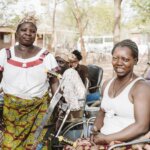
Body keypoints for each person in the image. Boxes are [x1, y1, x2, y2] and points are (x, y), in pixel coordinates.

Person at [64, 39, 150, 149]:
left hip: (125, 144)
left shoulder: (141, 88)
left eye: (125, 59)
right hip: (104, 140)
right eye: (115, 58)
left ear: (135, 60)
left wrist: (106, 139)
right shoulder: (107, 84)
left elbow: (141, 126)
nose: (119, 63)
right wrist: (94, 131)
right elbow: (101, 112)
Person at [0, 15, 59, 149]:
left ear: (35, 35)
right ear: (17, 33)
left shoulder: (46, 56)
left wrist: (57, 104)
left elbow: (54, 82)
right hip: (12, 111)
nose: (28, 33)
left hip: (40, 108)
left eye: (32, 31)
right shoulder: (5, 54)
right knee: (10, 145)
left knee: (37, 146)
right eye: (24, 30)